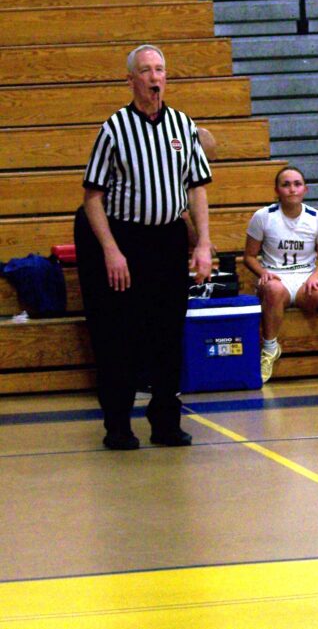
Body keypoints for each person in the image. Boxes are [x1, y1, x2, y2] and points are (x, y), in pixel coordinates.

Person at [76, 43, 213, 450]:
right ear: (131, 79)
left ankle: (165, 420)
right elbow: (92, 197)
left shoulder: (184, 126)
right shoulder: (114, 128)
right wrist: (111, 250)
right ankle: (118, 424)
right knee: (120, 335)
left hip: (168, 238)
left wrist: (203, 242)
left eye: (160, 70)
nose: (155, 78)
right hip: (126, 240)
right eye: (147, 71)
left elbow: (197, 189)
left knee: (169, 333)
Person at [244, 166, 318, 384]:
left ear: (305, 189)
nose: (292, 189)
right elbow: (249, 256)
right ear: (277, 190)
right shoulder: (263, 217)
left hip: (305, 280)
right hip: (276, 279)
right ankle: (270, 349)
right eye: (286, 185)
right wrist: (263, 273)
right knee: (273, 289)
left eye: (297, 184)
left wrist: (315, 277)